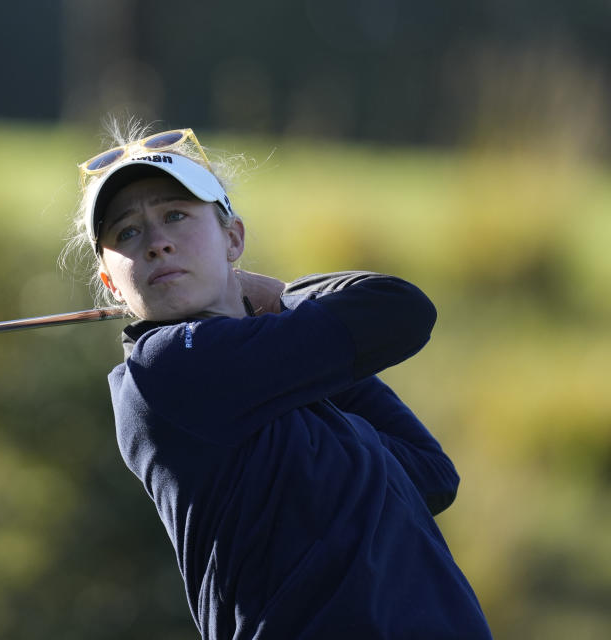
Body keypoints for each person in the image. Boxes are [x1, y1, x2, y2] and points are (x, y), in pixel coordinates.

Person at [69, 122, 493, 639]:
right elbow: (399, 310)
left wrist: (266, 309)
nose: (157, 242)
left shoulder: (281, 376)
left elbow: (430, 475)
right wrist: (281, 293)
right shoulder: (166, 370)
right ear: (112, 283)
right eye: (127, 232)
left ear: (233, 237)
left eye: (175, 215)